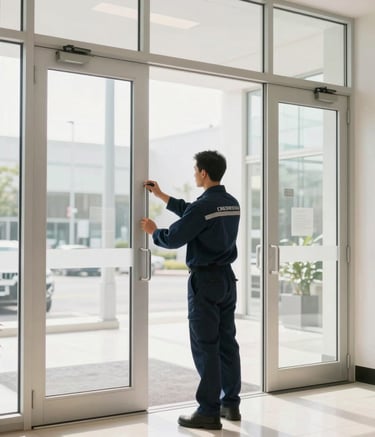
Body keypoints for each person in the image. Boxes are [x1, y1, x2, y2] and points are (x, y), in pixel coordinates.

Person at [140, 150, 241, 430]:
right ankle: (230, 404)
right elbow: (195, 214)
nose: (194, 174)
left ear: (204, 173)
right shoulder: (231, 203)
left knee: (206, 346)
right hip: (226, 281)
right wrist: (162, 196)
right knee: (227, 344)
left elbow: (174, 237)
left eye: (195, 170)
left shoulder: (203, 207)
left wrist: (153, 230)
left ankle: (208, 411)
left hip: (205, 283)